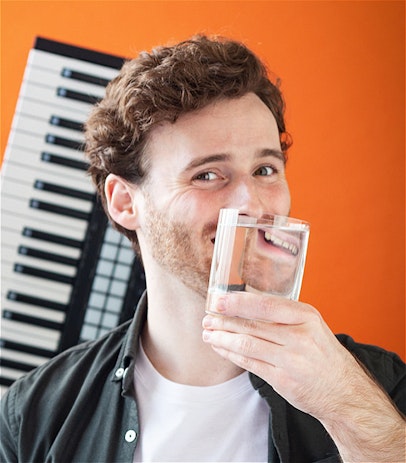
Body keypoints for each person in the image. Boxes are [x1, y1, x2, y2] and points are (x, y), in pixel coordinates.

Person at [1, 35, 405, 463]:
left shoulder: (381, 389)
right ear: (125, 202)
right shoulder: (32, 417)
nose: (252, 203)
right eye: (208, 175)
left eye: (265, 169)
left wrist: (347, 407)